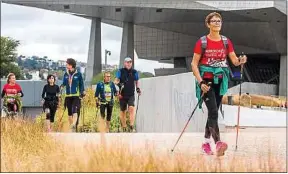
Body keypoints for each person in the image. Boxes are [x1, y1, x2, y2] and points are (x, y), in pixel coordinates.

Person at [191, 12, 247, 156]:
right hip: (206, 81)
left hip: (221, 81)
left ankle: (205, 143)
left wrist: (241, 60)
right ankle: (218, 143)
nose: (217, 23)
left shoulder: (226, 41)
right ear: (208, 24)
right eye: (214, 21)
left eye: (219, 21)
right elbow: (194, 64)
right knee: (214, 112)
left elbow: (234, 60)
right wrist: (200, 82)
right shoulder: (202, 42)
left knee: (212, 113)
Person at [114, 57, 141, 132]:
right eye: (127, 62)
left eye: (130, 62)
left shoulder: (134, 72)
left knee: (131, 108)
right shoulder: (120, 71)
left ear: (131, 63)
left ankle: (132, 125)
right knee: (123, 111)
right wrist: (119, 83)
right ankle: (124, 126)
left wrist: (138, 88)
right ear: (124, 63)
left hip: (131, 94)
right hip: (122, 94)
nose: (129, 64)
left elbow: (137, 80)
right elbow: (116, 80)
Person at [61, 58, 85, 132]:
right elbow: (64, 83)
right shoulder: (66, 74)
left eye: (67, 64)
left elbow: (81, 84)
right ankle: (72, 126)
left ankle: (74, 125)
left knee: (74, 109)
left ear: (71, 65)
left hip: (76, 95)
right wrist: (61, 86)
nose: (66, 65)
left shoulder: (78, 74)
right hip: (68, 95)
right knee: (69, 113)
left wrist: (82, 92)